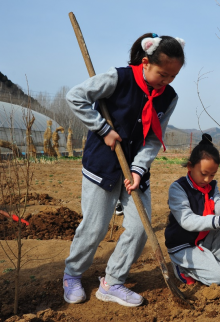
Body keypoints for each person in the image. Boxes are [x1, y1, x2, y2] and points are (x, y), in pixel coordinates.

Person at [63, 33, 185, 307]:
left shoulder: (169, 98)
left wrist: (140, 169)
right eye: (162, 74)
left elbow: (154, 138)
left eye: (173, 77)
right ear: (145, 62)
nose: (166, 82)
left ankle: (112, 281)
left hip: (135, 169)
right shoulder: (118, 78)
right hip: (103, 164)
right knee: (94, 227)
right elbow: (75, 97)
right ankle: (72, 274)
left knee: (140, 227)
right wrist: (103, 129)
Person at [163, 134, 220, 286]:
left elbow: (217, 208)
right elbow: (187, 220)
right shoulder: (178, 188)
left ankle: (211, 266)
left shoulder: (211, 186)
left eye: (212, 175)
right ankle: (182, 267)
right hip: (184, 245)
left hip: (201, 239)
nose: (207, 180)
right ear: (190, 166)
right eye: (204, 174)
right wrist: (219, 220)